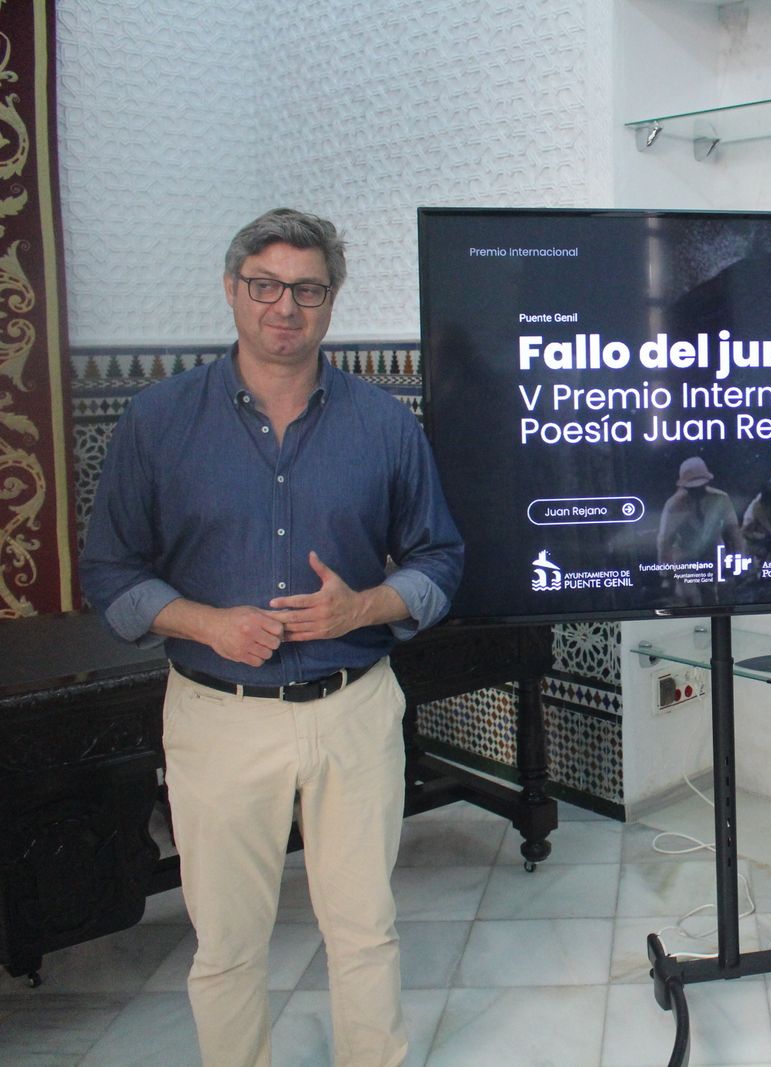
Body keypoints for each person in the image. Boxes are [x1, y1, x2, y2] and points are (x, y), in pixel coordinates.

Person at [80, 208, 464, 1067]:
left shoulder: (385, 424)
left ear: (331, 302)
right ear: (232, 290)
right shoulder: (157, 421)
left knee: (364, 931)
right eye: (265, 286)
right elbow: (110, 573)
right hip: (217, 715)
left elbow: (441, 558)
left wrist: (361, 607)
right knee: (226, 946)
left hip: (354, 708)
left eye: (307, 289)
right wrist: (204, 620)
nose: (284, 307)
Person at [656, 456, 744, 565]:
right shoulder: (673, 505)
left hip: (716, 557)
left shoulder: (721, 499)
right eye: (692, 488)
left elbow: (734, 531)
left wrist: (741, 561)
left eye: (700, 486)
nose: (697, 491)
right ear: (684, 486)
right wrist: (665, 572)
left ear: (706, 483)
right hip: (685, 560)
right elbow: (665, 540)